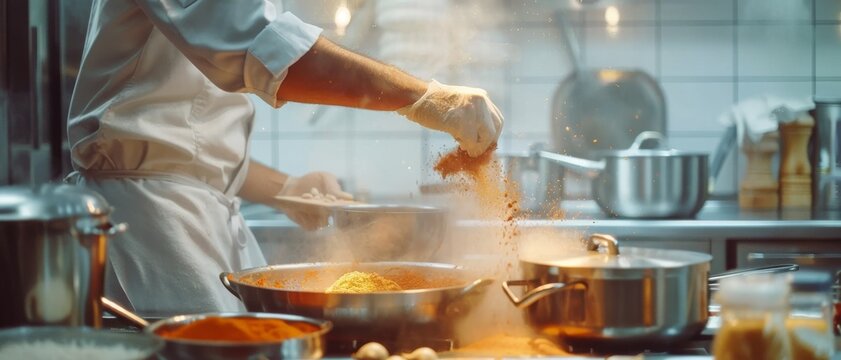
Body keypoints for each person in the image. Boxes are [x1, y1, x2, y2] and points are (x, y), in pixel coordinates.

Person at [67, 0, 503, 315]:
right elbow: (263, 49)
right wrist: (424, 97)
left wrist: (285, 190)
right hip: (151, 231)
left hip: (192, 216)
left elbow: (184, 147)